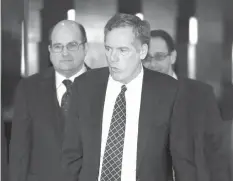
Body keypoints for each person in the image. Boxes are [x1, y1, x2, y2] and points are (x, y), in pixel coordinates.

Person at [61, 14, 229, 181]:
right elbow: (72, 157)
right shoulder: (85, 86)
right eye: (108, 48)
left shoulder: (170, 91)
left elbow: (183, 161)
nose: (113, 58)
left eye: (122, 50)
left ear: (142, 51)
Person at [145, 29, 231, 181]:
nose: (152, 64)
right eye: (146, 58)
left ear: (173, 57)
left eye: (159, 57)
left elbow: (217, 151)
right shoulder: (134, 96)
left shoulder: (201, 94)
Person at [9, 20, 90, 181]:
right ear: (50, 50)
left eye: (72, 45)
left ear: (85, 48)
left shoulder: (105, 86)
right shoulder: (28, 89)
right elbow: (19, 150)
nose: (65, 53)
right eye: (58, 46)